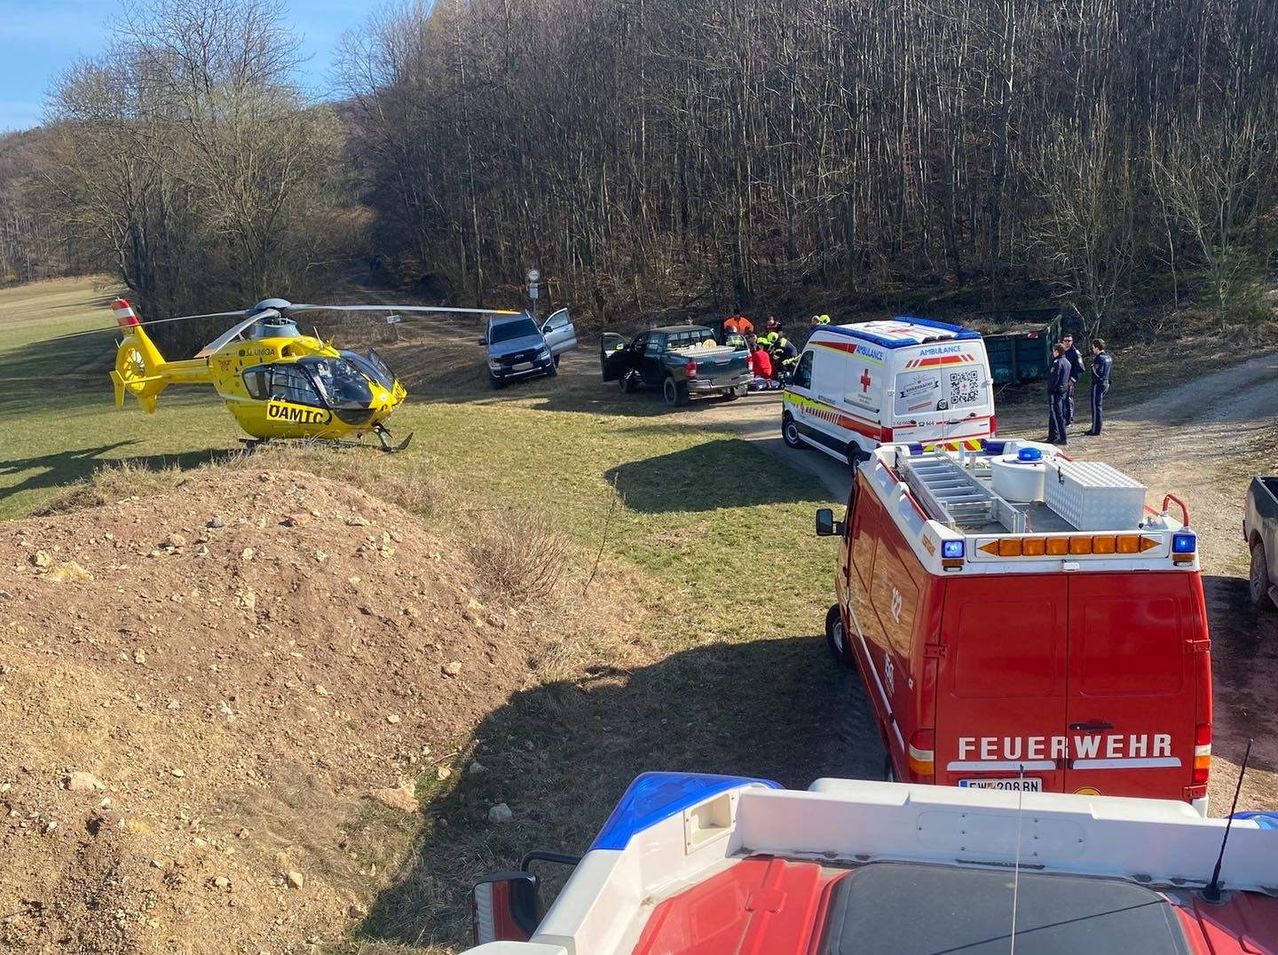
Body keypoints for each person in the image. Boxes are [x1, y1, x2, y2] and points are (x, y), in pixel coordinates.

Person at [1085, 338, 1112, 435]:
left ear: (1097, 348)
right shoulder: (1108, 357)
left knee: (1096, 407)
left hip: (1098, 384)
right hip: (1106, 383)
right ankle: (1097, 428)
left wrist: (1092, 367)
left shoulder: (1099, 358)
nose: (1092, 350)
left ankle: (1095, 430)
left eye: (1093, 348)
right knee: (1098, 406)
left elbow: (1097, 373)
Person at [1047, 342, 1071, 445]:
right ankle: (1052, 435)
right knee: (1055, 413)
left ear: (1057, 351)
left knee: (1057, 414)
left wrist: (1050, 389)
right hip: (1063, 389)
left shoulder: (1057, 363)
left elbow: (1054, 378)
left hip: (1056, 391)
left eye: (1054, 351)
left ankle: (1062, 437)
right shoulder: (1066, 362)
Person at [1061, 333, 1083, 426]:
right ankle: (1063, 419)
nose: (1067, 342)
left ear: (1072, 341)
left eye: (1069, 341)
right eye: (1065, 341)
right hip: (1061, 381)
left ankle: (1069, 420)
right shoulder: (1061, 351)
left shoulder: (1075, 353)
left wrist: (1073, 380)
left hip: (1069, 381)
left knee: (1068, 400)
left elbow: (1080, 368)